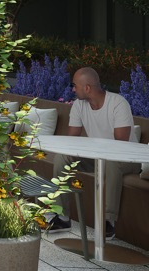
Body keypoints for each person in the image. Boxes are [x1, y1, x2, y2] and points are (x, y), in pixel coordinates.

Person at [48, 67, 134, 237]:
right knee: (62, 158)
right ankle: (62, 216)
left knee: (110, 161)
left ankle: (108, 221)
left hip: (127, 158)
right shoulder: (79, 105)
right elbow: (72, 139)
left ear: (87, 88)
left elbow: (121, 144)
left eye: (75, 85)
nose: (73, 89)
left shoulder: (118, 103)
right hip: (97, 157)